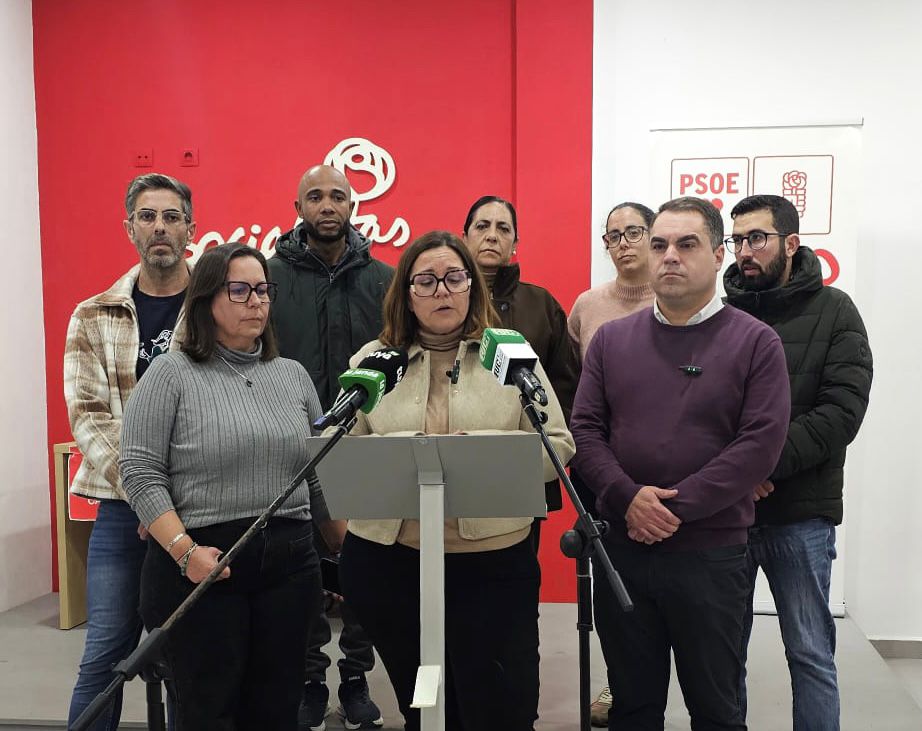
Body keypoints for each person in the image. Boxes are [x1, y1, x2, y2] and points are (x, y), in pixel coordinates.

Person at [338, 231, 575, 731]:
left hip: (491, 564)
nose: (441, 290)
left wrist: (483, 448)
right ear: (406, 292)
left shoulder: (510, 352)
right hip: (390, 562)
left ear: (472, 287)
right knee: (422, 703)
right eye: (426, 281)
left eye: (453, 277)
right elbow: (338, 448)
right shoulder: (372, 359)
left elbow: (558, 442)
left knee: (497, 705)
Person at [571, 197, 791, 730]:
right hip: (622, 549)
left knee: (716, 709)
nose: (670, 256)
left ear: (719, 256)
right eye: (660, 245)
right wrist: (628, 499)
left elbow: (758, 445)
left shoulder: (756, 342)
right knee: (632, 706)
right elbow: (585, 431)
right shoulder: (610, 342)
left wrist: (672, 509)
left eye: (686, 244)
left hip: (710, 556)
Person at [120, 242, 344, 730]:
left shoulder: (292, 375)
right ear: (206, 299)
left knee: (278, 707)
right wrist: (183, 551)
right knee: (208, 710)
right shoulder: (171, 373)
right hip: (204, 566)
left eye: (263, 289)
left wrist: (347, 550)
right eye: (239, 289)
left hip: (290, 570)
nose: (256, 301)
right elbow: (138, 470)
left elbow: (318, 470)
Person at [724, 194, 873, 731]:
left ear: (790, 243)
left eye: (756, 238)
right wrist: (740, 475)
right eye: (737, 239)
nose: (744, 251)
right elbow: (700, 414)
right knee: (721, 659)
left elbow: (841, 412)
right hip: (728, 515)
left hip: (801, 515)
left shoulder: (836, 311)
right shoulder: (719, 316)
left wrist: (763, 466)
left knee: (810, 653)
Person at [64, 172, 194, 731]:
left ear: (191, 227)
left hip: (200, 505)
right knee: (107, 655)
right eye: (148, 216)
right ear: (129, 229)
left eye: (171, 216)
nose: (159, 227)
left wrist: (169, 499)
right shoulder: (92, 315)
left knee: (197, 657)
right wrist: (145, 496)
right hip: (122, 512)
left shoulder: (218, 309)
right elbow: (89, 419)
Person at [269, 164, 393, 730]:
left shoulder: (384, 280)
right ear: (298, 207)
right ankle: (310, 678)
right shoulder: (268, 279)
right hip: (290, 448)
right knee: (304, 574)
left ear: (353, 206)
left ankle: (357, 678)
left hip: (363, 446)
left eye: (337, 196)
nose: (326, 204)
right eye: (314, 196)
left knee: (362, 567)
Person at [567, 201, 655, 727]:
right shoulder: (587, 306)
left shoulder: (681, 300)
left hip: (671, 473)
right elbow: (582, 394)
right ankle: (620, 688)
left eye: (633, 233)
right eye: (613, 235)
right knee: (617, 601)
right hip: (605, 475)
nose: (622, 244)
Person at [461, 195, 579, 532]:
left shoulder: (540, 304)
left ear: (515, 243)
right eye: (482, 226)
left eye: (503, 228)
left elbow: (565, 386)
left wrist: (546, 448)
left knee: (516, 574)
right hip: (456, 458)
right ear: (465, 235)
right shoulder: (442, 301)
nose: (492, 235)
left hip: (523, 465)